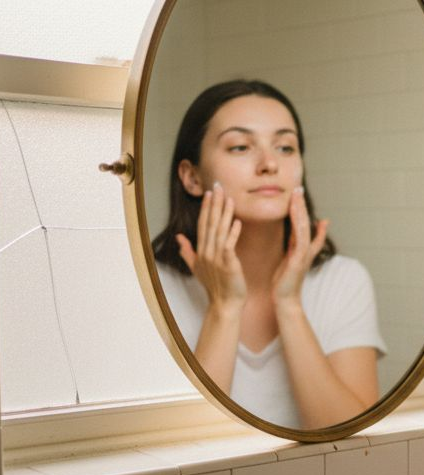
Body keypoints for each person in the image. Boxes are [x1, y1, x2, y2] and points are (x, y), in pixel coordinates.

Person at [151, 80, 386, 429]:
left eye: (286, 147)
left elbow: (350, 439)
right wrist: (224, 307)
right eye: (241, 146)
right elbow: (184, 448)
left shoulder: (343, 281)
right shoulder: (153, 286)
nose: (269, 164)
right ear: (191, 177)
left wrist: (289, 304)